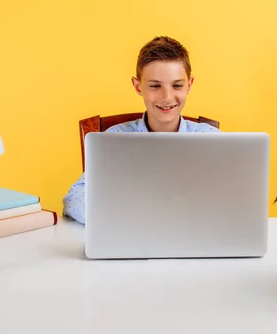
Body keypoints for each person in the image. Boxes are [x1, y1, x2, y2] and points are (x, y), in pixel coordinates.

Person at [62, 36, 220, 224]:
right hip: (130, 236)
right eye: (155, 86)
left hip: (195, 238)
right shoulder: (114, 140)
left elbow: (235, 194)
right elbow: (75, 197)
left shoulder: (212, 140)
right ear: (138, 86)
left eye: (177, 85)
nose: (167, 97)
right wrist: (117, 219)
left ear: (189, 85)